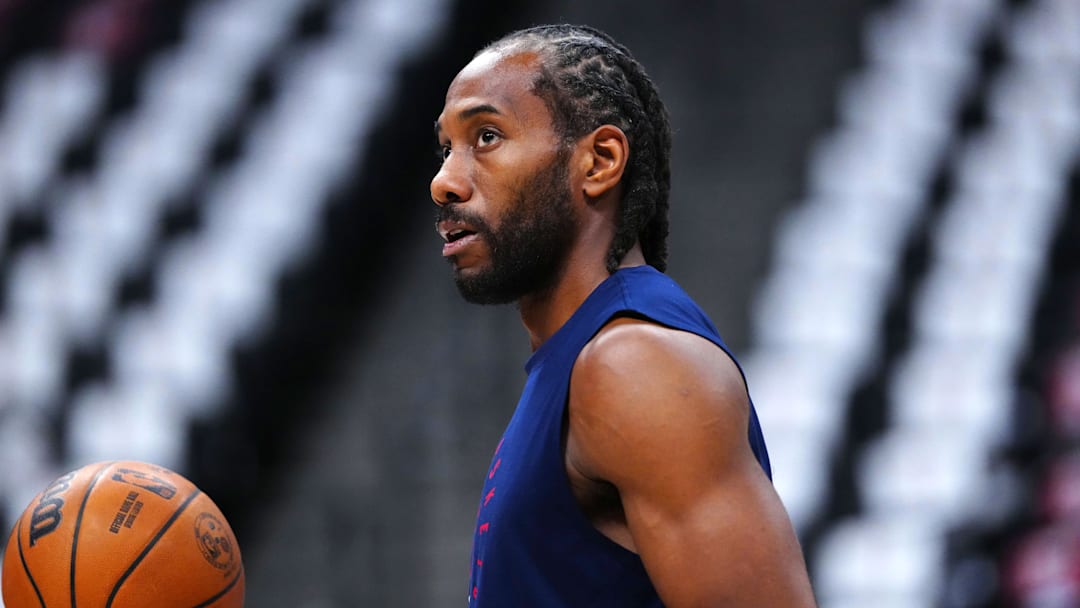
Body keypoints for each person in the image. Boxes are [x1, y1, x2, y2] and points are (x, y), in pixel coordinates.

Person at [431, 24, 816, 607]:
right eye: (446, 149)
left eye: (486, 137)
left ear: (600, 161)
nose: (444, 182)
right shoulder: (581, 358)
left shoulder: (635, 367)